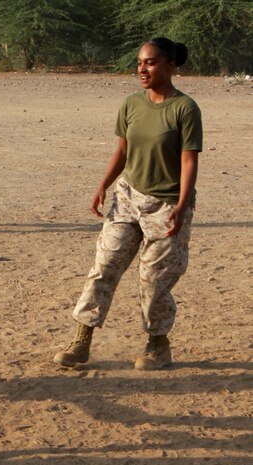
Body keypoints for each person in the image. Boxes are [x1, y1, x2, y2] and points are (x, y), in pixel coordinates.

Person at [54, 38, 203, 371]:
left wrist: (181, 205)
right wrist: (103, 185)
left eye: (150, 62)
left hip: (166, 205)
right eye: (139, 62)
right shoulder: (131, 104)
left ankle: (158, 345)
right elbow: (122, 151)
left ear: (169, 66)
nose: (141, 69)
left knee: (154, 280)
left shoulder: (185, 108)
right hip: (128, 198)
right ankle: (82, 341)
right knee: (104, 266)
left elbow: (189, 161)